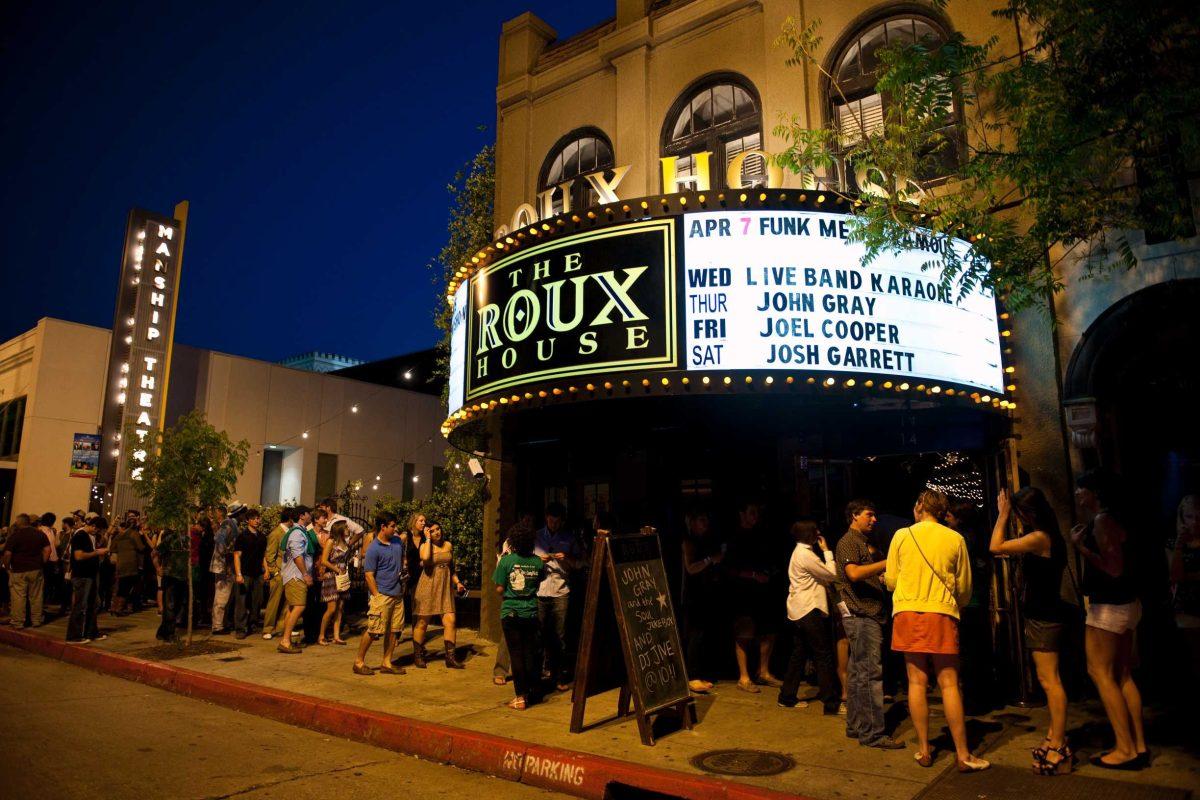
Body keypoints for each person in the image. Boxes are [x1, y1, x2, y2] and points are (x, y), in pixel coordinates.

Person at [886, 489, 987, 772]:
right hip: (941, 612)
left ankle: (924, 749)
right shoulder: (955, 538)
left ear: (920, 507)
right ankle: (963, 754)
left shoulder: (902, 536)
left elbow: (892, 580)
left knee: (916, 682)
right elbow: (965, 586)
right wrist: (958, 603)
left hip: (907, 611)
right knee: (950, 683)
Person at [991, 487, 1073, 774]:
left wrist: (1001, 516)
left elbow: (996, 546)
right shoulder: (1047, 535)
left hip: (1044, 615)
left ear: (1027, 513)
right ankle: (1053, 734)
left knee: (1050, 681)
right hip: (1043, 613)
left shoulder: (1039, 538)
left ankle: (1060, 744)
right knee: (1048, 679)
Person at [1072, 470, 1148, 769]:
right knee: (1123, 674)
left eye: (1081, 489)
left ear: (1094, 492)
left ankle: (1124, 748)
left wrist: (1081, 548)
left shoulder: (1103, 521)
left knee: (1100, 672)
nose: (1078, 494)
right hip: (1127, 605)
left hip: (1108, 607)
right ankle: (1138, 745)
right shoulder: (1116, 518)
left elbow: (1113, 567)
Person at [834, 499, 902, 749]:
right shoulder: (850, 542)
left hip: (864, 615)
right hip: (863, 616)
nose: (874, 520)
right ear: (854, 516)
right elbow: (853, 573)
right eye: (869, 515)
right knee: (870, 674)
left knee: (857, 674)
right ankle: (873, 733)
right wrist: (888, 563)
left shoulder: (859, 542)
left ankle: (856, 726)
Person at [778, 521, 840, 713]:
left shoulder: (799, 552)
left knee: (799, 653)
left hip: (798, 610)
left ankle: (787, 696)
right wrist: (827, 551)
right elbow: (831, 574)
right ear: (810, 535)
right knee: (823, 655)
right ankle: (830, 704)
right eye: (816, 531)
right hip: (808, 609)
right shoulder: (806, 554)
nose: (819, 533)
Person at [723, 500, 783, 693]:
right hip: (743, 592)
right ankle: (744, 676)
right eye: (751, 513)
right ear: (742, 515)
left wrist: (769, 572)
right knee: (744, 633)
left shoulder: (761, 535)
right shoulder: (734, 538)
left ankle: (763, 672)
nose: (755, 517)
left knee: (769, 630)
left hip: (762, 591)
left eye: (756, 513)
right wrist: (753, 575)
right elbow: (729, 569)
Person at [494, 523, 545, 709]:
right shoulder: (538, 561)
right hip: (531, 611)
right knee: (530, 652)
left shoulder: (507, 562)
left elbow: (499, 588)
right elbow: (539, 581)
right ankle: (533, 692)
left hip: (511, 612)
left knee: (516, 654)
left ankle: (520, 697)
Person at [353, 513, 407, 675]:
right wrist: (376, 595)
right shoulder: (373, 549)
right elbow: (369, 574)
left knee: (395, 630)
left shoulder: (397, 542)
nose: (395, 528)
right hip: (382, 594)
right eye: (392, 526)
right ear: (383, 527)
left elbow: (402, 552)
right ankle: (359, 662)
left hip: (397, 594)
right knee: (374, 629)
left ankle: (386, 662)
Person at [534, 503, 580, 690]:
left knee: (560, 635)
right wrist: (538, 560)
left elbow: (579, 563)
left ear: (562, 521)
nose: (553, 523)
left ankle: (559, 674)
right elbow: (526, 560)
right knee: (539, 634)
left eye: (557, 520)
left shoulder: (569, 538)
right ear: (546, 518)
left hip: (561, 590)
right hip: (541, 589)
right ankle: (538, 675)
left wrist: (566, 558)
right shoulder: (536, 537)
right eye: (551, 520)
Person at [413, 521, 467, 669]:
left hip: (444, 587)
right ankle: (418, 655)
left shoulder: (448, 545)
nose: (437, 532)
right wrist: (428, 539)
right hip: (428, 586)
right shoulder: (425, 546)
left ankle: (450, 657)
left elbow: (451, 568)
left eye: (438, 529)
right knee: (423, 622)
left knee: (450, 621)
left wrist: (457, 582)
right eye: (433, 531)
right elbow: (425, 558)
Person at [680, 505, 722, 693]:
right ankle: (692, 676)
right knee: (694, 635)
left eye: (706, 520)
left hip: (705, 593)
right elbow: (690, 568)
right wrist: (709, 560)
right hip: (692, 596)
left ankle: (700, 673)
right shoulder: (689, 542)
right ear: (693, 523)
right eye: (701, 520)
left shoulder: (705, 541)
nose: (705, 523)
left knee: (703, 634)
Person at [1167, 495, 1200, 690]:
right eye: (1190, 516)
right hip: (1187, 607)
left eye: (1199, 516)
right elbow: (1175, 576)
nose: (1195, 522)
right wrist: (1179, 545)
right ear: (1182, 518)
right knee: (1194, 658)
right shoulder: (1174, 543)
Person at [277, 506, 314, 654]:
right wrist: (305, 574)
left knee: (292, 608)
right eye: (308, 513)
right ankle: (285, 641)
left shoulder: (299, 531)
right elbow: (298, 556)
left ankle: (286, 639)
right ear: (302, 516)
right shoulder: (297, 533)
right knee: (299, 606)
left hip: (295, 575)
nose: (310, 515)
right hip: (296, 576)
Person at [66, 516, 109, 643]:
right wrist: (97, 552)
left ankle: (91, 632)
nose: (98, 534)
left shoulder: (89, 536)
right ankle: (74, 635)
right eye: (98, 531)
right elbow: (78, 556)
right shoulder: (80, 536)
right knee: (80, 605)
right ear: (94, 526)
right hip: (82, 575)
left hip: (90, 575)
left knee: (93, 603)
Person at [3, 514, 50, 627]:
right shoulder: (40, 534)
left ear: (19, 522)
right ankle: (36, 620)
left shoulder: (15, 536)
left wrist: (8, 567)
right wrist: (42, 562)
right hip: (36, 568)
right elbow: (47, 550)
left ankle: (18, 622)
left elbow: (8, 554)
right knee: (36, 596)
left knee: (19, 596)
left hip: (18, 570)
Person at [233, 508, 266, 639]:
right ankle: (240, 628)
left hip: (258, 573)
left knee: (257, 600)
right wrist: (238, 573)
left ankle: (253, 624)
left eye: (258, 518)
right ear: (248, 520)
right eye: (253, 518)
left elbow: (263, 555)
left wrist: (266, 570)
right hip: (245, 573)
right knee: (241, 601)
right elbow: (237, 555)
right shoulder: (242, 536)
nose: (256, 521)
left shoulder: (262, 537)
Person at [154, 526, 190, 641]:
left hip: (183, 577)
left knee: (178, 605)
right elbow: (155, 553)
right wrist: (158, 568)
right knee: (170, 605)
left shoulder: (188, 540)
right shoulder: (170, 538)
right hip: (170, 576)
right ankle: (169, 633)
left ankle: (162, 631)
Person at [318, 520, 351, 645]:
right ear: (340, 529)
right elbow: (324, 561)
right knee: (331, 608)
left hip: (342, 577)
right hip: (332, 576)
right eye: (346, 527)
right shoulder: (331, 542)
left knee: (340, 607)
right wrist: (337, 569)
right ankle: (321, 635)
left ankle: (336, 636)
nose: (348, 529)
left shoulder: (345, 543)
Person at [209, 504, 241, 634]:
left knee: (224, 596)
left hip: (223, 565)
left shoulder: (228, 524)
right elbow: (219, 540)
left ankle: (220, 624)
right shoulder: (229, 524)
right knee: (222, 596)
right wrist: (227, 557)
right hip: (225, 566)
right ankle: (218, 625)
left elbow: (218, 539)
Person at [261, 506, 292, 639]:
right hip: (279, 572)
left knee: (287, 601)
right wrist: (275, 572)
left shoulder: (290, 532)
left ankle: (282, 626)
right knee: (274, 602)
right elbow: (270, 555)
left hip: (288, 572)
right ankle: (267, 628)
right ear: (290, 519)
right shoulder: (276, 533)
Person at [108, 520, 145, 615]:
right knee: (129, 586)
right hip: (131, 563)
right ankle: (120, 608)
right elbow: (141, 547)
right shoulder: (134, 534)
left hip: (120, 563)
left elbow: (112, 548)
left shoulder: (118, 536)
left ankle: (113, 607)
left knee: (120, 585)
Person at [37, 513, 60, 611]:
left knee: (47, 584)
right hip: (45, 560)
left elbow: (55, 546)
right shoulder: (41, 531)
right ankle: (39, 605)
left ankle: (42, 603)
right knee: (42, 584)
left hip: (51, 561)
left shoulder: (51, 531)